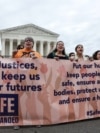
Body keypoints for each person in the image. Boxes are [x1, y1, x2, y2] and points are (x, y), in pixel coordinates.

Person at [13, 37, 41, 130]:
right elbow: (12, 64)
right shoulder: (18, 52)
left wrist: (37, 60)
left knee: (33, 100)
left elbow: (42, 65)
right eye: (26, 41)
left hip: (33, 79)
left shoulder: (37, 53)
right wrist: (13, 56)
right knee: (19, 101)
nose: (28, 42)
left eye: (30, 41)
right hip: (20, 79)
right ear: (24, 43)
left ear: (33, 44)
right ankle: (18, 121)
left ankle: (35, 120)